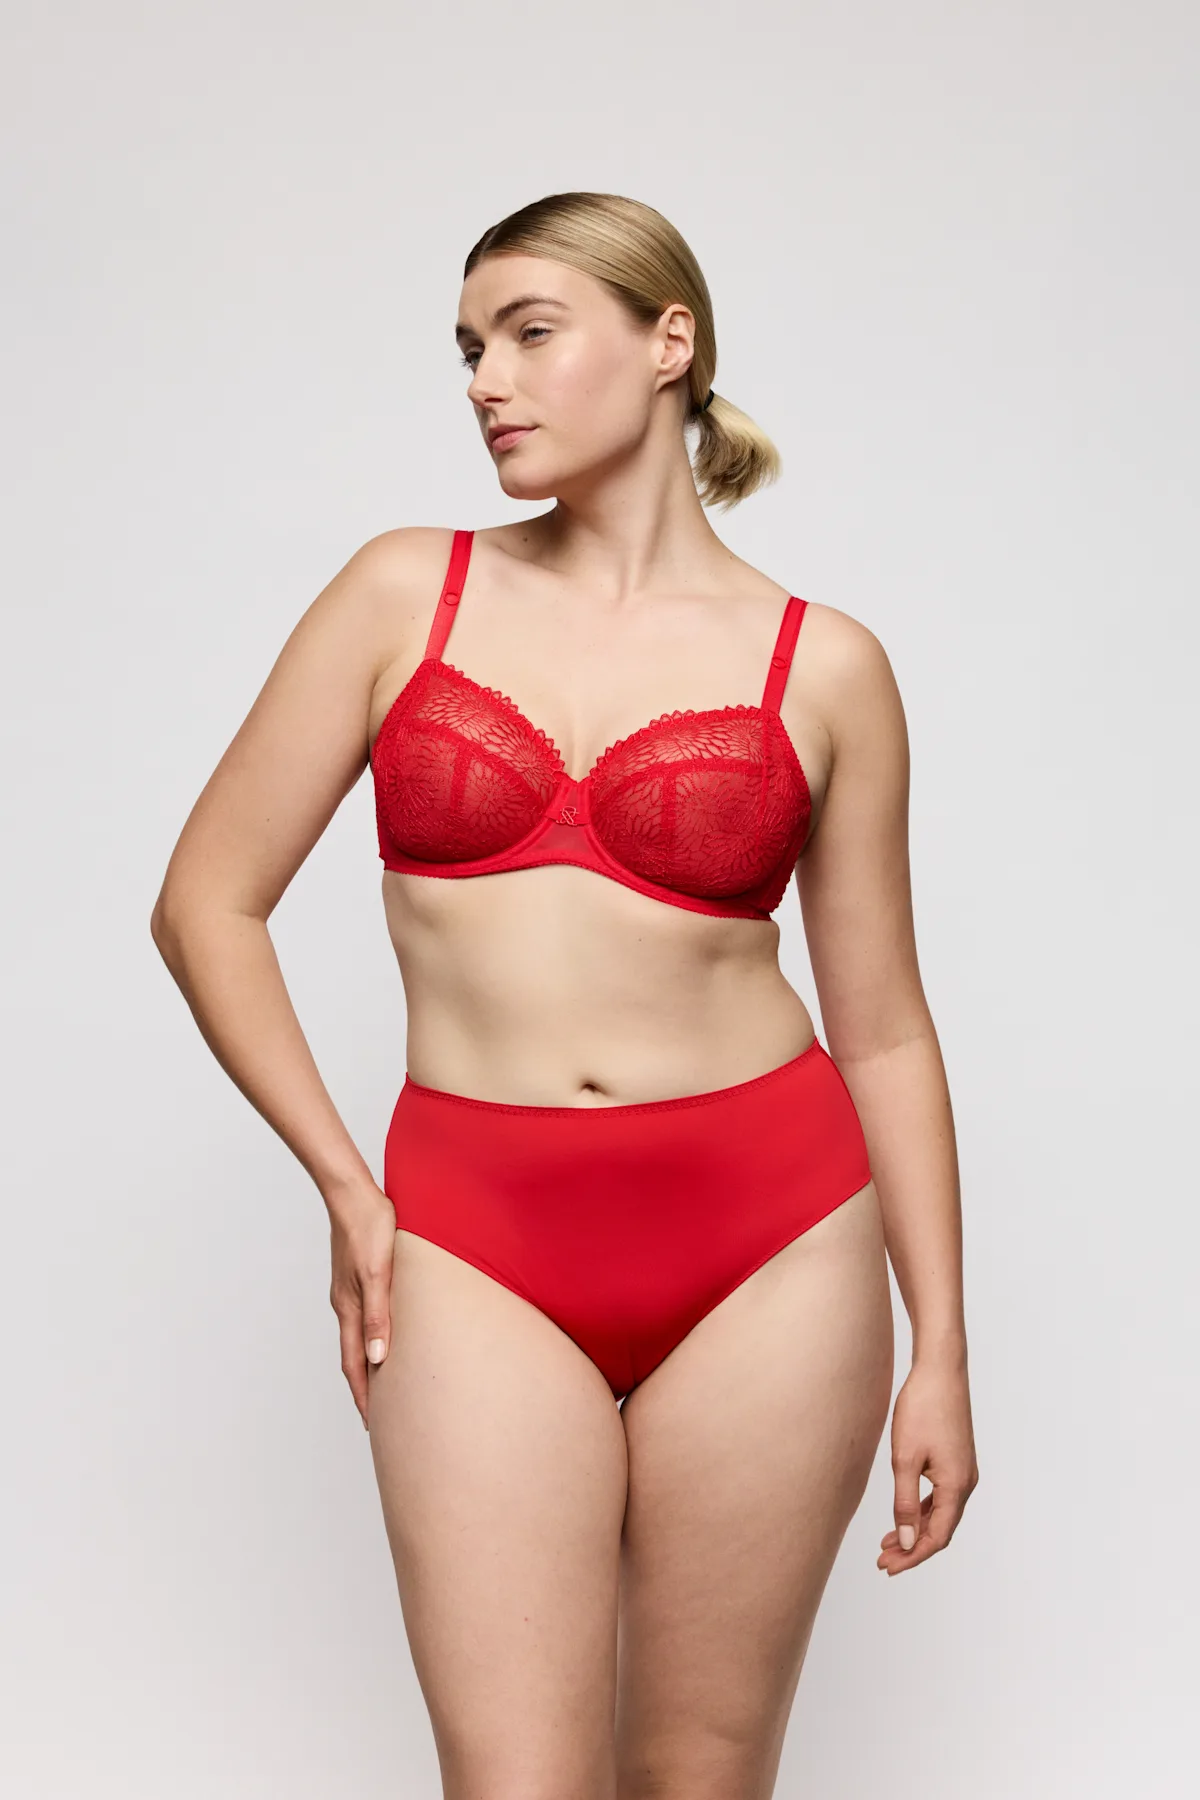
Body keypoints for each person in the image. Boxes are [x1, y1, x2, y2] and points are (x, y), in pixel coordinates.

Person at [151, 190, 978, 1799]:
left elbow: (883, 1026)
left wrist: (940, 1344)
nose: (487, 382)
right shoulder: (406, 592)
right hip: (471, 1231)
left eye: (530, 334)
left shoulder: (825, 665)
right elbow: (206, 903)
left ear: (671, 344)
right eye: (470, 349)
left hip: (775, 1238)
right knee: (514, 1780)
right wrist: (346, 1184)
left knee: (703, 1775)